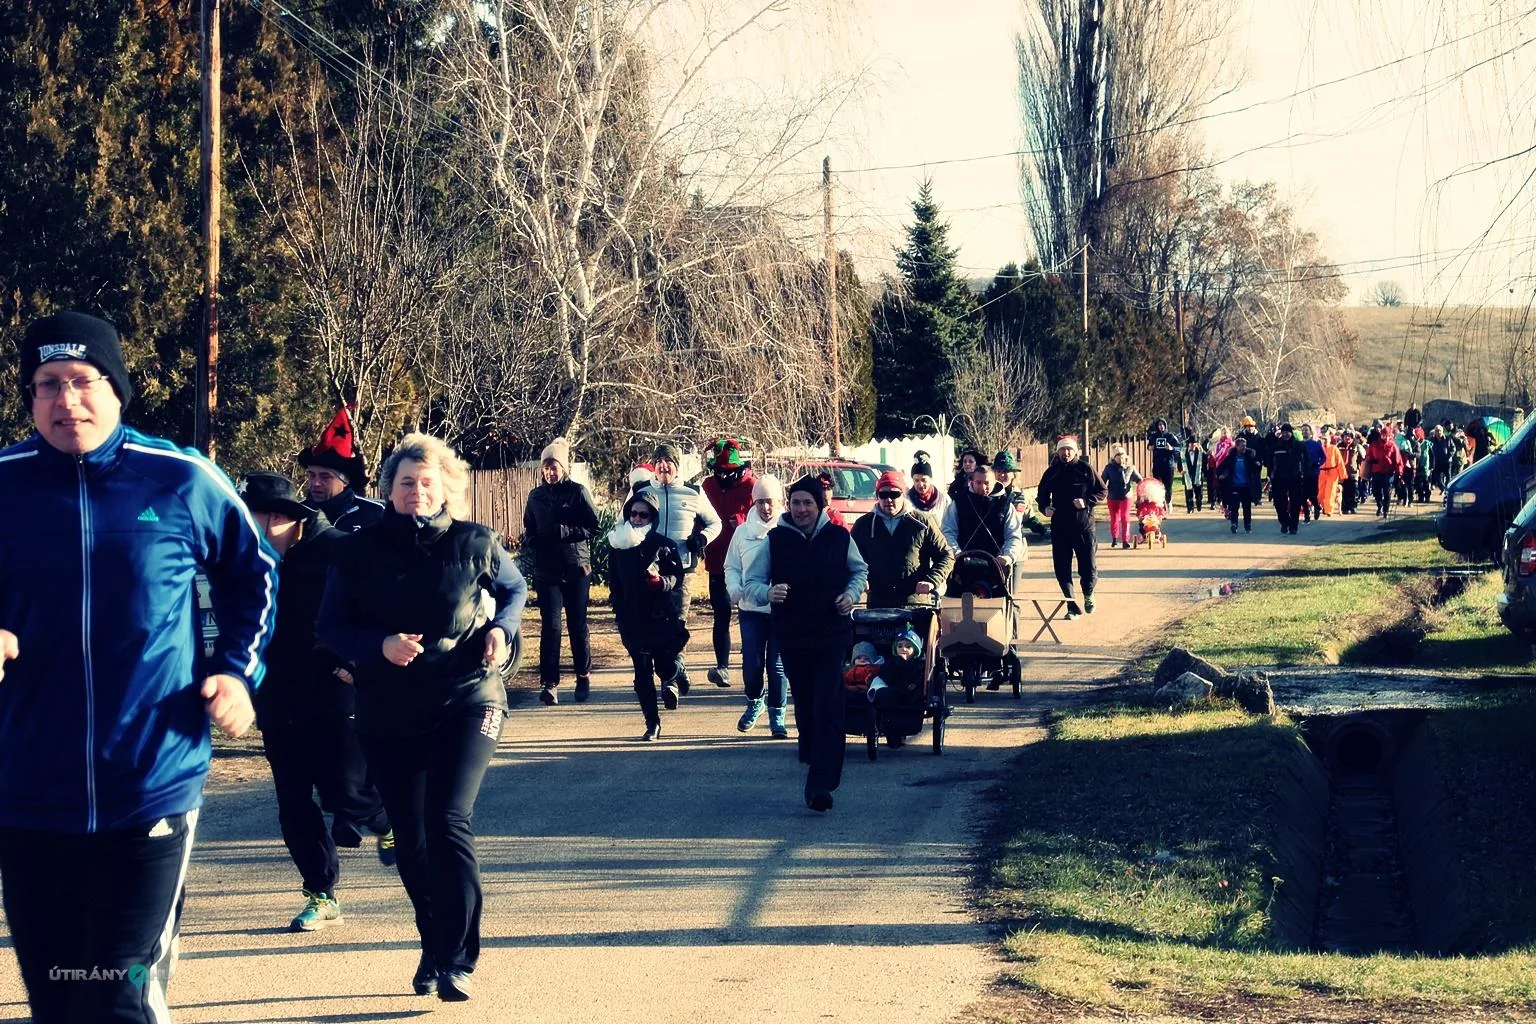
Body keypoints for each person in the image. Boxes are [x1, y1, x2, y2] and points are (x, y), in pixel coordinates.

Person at [0, 311, 279, 1024]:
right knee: (57, 998)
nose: (66, 401)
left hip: (151, 779)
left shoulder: (180, 478)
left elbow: (255, 572)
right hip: (28, 786)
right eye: (47, 384)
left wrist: (237, 671)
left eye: (83, 381)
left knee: (119, 994)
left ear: (117, 389)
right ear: (29, 397)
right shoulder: (6, 483)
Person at [318, 433, 527, 1002]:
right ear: (389, 489)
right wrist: (378, 645)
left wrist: (501, 631)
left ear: (445, 488)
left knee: (448, 819)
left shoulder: (475, 541)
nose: (417, 491)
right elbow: (330, 625)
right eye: (406, 482)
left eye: (427, 482)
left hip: (468, 697)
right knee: (410, 837)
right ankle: (433, 943)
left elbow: (514, 589)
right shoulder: (356, 551)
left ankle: (458, 958)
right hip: (389, 707)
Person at [239, 471, 394, 933]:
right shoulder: (247, 562)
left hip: (333, 693)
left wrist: (357, 660)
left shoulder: (339, 551)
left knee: (344, 792)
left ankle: (387, 818)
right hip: (276, 698)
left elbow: (382, 608)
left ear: (277, 518)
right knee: (292, 802)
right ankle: (321, 893)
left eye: (248, 517)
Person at [743, 477, 868, 813]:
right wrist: (768, 593)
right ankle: (812, 753)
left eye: (807, 503)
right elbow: (751, 582)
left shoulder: (839, 537)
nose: (801, 509)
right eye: (796, 503)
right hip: (793, 635)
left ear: (819, 506)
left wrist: (851, 595)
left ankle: (820, 785)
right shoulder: (775, 540)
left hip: (832, 634)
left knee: (828, 704)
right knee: (808, 704)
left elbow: (859, 571)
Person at [606, 488, 688, 741]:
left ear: (653, 517)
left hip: (660, 617)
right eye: (633, 514)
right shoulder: (617, 545)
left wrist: (661, 582)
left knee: (664, 668)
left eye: (643, 515)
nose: (637, 519)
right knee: (642, 673)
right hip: (633, 619)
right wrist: (619, 612)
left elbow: (677, 578)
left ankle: (676, 670)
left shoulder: (663, 545)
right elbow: (614, 583)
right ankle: (652, 723)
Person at [523, 437, 600, 706]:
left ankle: (583, 676)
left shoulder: (578, 492)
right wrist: (533, 540)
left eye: (554, 467)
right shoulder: (535, 496)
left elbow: (594, 526)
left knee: (577, 625)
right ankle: (549, 684)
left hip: (576, 568)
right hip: (547, 571)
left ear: (563, 468)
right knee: (551, 627)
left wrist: (567, 532)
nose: (550, 473)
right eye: (546, 468)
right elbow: (529, 528)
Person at [648, 442, 722, 693]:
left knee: (678, 621)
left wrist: (701, 539)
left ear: (677, 466)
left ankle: (673, 673)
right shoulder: (642, 490)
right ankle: (673, 672)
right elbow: (623, 522)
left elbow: (715, 523)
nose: (663, 466)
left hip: (683, 568)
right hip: (651, 568)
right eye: (658, 462)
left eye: (668, 462)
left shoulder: (693, 492)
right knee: (657, 622)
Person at [725, 475, 790, 737]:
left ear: (780, 501)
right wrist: (734, 588)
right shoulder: (743, 532)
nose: (765, 507)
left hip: (781, 609)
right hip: (751, 608)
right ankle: (755, 701)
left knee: (777, 665)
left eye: (770, 501)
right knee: (752, 662)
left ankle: (778, 713)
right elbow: (731, 566)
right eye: (760, 501)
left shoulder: (787, 529)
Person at [850, 470, 954, 610]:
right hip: (878, 604)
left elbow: (946, 556)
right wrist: (860, 581)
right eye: (883, 494)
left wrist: (931, 581)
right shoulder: (864, 525)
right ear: (877, 496)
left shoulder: (922, 522)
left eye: (894, 494)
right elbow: (851, 560)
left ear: (903, 495)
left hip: (915, 604)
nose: (888, 500)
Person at [701, 437, 756, 689]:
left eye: (729, 472)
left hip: (748, 561)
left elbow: (765, 519)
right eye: (720, 472)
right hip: (717, 560)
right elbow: (699, 515)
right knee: (721, 613)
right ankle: (722, 666)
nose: (724, 476)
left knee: (749, 612)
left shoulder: (752, 486)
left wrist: (743, 521)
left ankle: (751, 662)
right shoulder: (707, 486)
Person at [1036, 435, 1106, 619]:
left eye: (1069, 449)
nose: (1065, 453)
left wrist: (1087, 501)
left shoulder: (1085, 469)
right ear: (1058, 452)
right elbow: (1041, 495)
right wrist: (1045, 508)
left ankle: (1088, 593)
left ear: (1075, 451)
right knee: (1062, 569)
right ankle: (1072, 606)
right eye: (1062, 449)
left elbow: (1102, 491)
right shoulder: (1051, 472)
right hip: (1060, 528)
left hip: (1083, 527)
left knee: (1088, 567)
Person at [299, 404, 385, 533]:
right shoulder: (296, 514)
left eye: (325, 476)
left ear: (345, 481)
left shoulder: (373, 514)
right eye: (312, 475)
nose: (316, 483)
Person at [942, 464, 1027, 594]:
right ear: (972, 482)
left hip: (996, 567)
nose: (983, 487)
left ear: (995, 482)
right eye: (978, 483)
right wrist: (956, 553)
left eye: (987, 483)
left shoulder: (1005, 505)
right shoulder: (959, 502)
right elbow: (948, 530)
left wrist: (1008, 556)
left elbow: (1013, 535)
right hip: (963, 566)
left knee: (1001, 603)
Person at [1217, 435, 1262, 533]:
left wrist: (1257, 465)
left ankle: (1247, 525)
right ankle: (1234, 524)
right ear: (1237, 447)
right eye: (1242, 446)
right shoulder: (1231, 458)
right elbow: (1220, 467)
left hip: (1246, 486)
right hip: (1234, 486)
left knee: (1247, 507)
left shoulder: (1249, 457)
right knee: (1234, 507)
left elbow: (1255, 469)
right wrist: (1221, 475)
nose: (1244, 447)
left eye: (1245, 445)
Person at [1101, 444, 1142, 549]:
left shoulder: (1130, 468)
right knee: (1114, 518)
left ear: (1125, 456)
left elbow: (1140, 480)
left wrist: (1142, 492)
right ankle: (1114, 539)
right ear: (1114, 457)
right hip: (1113, 496)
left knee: (1125, 517)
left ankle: (1125, 540)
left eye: (1122, 455)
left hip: (1126, 496)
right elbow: (1102, 482)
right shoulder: (1109, 468)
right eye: (1117, 455)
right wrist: (1100, 493)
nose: (1120, 457)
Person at [1268, 424, 1305, 534]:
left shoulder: (1298, 445)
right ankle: (1284, 522)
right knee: (1279, 503)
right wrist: (1270, 474)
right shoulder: (1276, 445)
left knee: (1295, 503)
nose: (1285, 434)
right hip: (1279, 478)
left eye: (1287, 432)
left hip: (1295, 477)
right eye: (1283, 432)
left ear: (1291, 433)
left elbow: (1305, 461)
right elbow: (1270, 461)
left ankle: (1293, 526)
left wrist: (1304, 475)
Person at [906, 450, 950, 530]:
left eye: (924, 480)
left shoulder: (944, 499)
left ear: (931, 479)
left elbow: (949, 526)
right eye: (916, 480)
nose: (920, 484)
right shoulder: (906, 499)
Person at [1364, 427, 1402, 519]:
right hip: (1376, 471)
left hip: (1388, 473)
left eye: (1388, 436)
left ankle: (1385, 510)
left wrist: (1399, 473)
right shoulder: (1374, 445)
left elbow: (1398, 460)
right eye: (1384, 435)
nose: (1386, 437)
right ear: (1381, 435)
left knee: (1387, 493)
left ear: (1391, 436)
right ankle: (1379, 505)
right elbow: (1368, 455)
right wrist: (1370, 460)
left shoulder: (1393, 446)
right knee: (1375, 491)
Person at [1146, 418, 1181, 511]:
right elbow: (1149, 446)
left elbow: (1179, 447)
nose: (1161, 426)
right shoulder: (1154, 436)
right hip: (1157, 465)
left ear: (1165, 426)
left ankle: (1168, 501)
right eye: (1159, 425)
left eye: (1162, 424)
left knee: (1168, 486)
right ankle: (1160, 505)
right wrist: (1150, 447)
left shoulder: (1170, 436)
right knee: (1157, 485)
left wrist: (1171, 448)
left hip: (1168, 465)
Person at [1299, 425, 1324, 523]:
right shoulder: (1299, 445)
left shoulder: (1316, 445)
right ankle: (1307, 515)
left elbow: (1323, 457)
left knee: (1312, 494)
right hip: (1302, 473)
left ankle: (1317, 507)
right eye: (1303, 430)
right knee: (1302, 496)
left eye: (1306, 430)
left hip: (1313, 473)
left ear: (1310, 432)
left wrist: (1318, 463)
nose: (1304, 432)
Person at [1181, 435, 1206, 513]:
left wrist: (1204, 472)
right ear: (1188, 444)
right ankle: (1190, 507)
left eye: (1194, 443)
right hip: (1187, 475)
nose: (1192, 445)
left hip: (1197, 475)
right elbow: (1179, 462)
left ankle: (1198, 503)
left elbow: (1205, 460)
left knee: (1199, 493)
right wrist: (1180, 470)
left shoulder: (1200, 452)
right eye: (1191, 443)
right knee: (1188, 493)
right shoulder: (1183, 452)